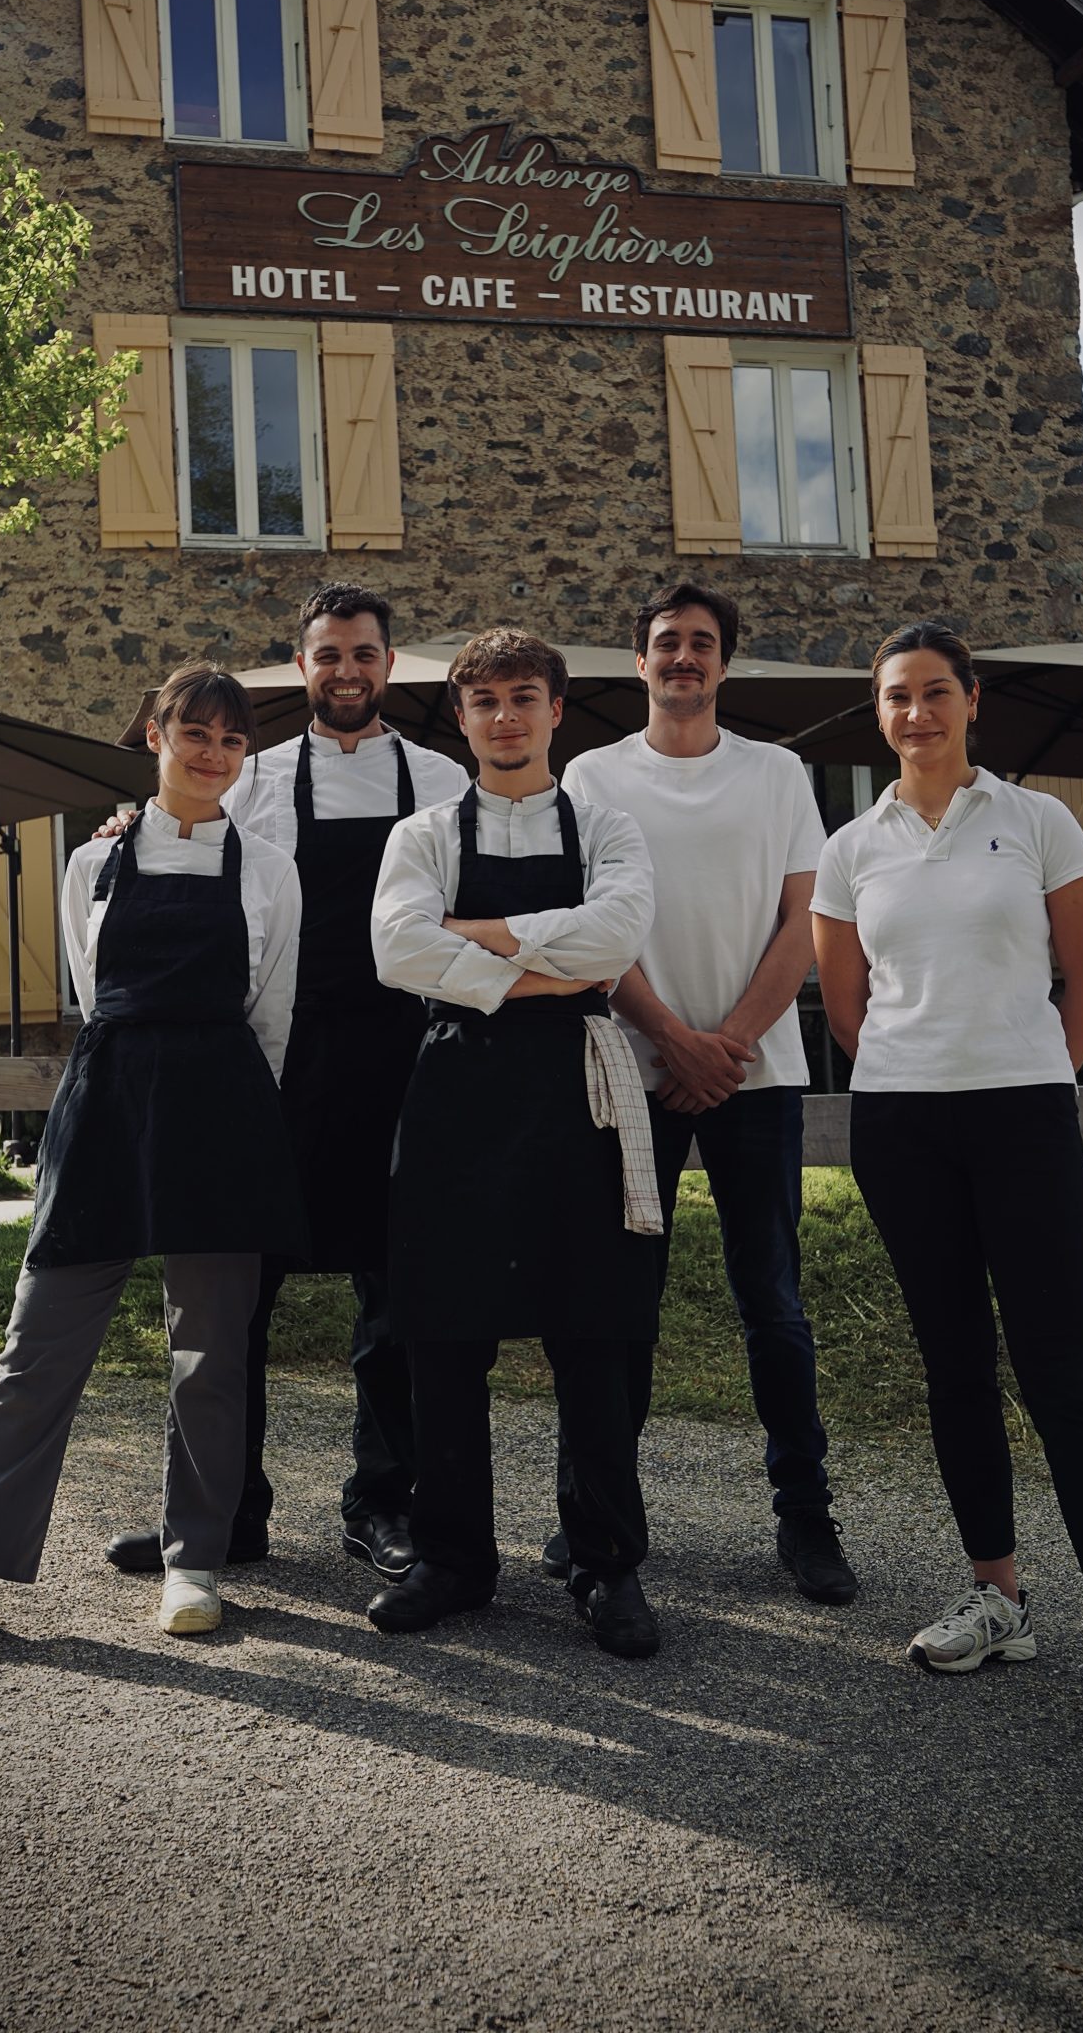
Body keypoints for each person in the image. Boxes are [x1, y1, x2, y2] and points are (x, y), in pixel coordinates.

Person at [0, 664, 304, 1648]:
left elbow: (271, 1017)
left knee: (210, 1357)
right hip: (107, 1112)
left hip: (222, 1118)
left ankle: (193, 1561)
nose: (213, 753)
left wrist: (225, 1111)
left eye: (231, 739)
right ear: (153, 733)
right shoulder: (91, 865)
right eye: (195, 731)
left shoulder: (270, 869)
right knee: (35, 1345)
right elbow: (99, 1000)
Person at [810, 620, 1083, 1751]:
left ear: (971, 700)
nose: (914, 712)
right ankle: (998, 1597)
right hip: (899, 1127)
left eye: (934, 692)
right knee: (953, 1366)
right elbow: (843, 1004)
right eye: (894, 697)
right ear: (876, 714)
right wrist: (919, 1074)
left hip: (1022, 1117)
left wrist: (1022, 1075)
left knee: (1060, 1372)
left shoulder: (1036, 820)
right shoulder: (849, 845)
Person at [101, 585, 466, 1586]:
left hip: (400, 1056)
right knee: (234, 1295)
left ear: (387, 665)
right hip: (277, 1058)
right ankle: (221, 1514)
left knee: (391, 1292)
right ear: (301, 667)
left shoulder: (439, 778)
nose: (345, 670)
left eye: (362, 653)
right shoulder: (250, 779)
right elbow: (180, 845)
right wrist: (129, 821)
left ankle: (380, 1503)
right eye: (326, 655)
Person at [367, 628, 667, 1657]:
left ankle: (605, 1562)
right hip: (455, 1093)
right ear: (459, 717)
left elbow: (615, 939)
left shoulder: (607, 824)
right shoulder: (421, 834)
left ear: (555, 711)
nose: (503, 716)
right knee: (443, 1335)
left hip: (574, 1092)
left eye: (522, 697)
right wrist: (546, 957)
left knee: (593, 1334)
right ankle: (453, 1559)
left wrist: (480, 937)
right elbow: (395, 947)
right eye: (483, 699)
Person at [560, 579, 856, 1604]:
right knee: (615, 1306)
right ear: (636, 661)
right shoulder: (589, 775)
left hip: (755, 1074)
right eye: (664, 643)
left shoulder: (776, 774)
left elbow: (800, 925)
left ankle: (803, 1517)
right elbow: (592, 928)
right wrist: (671, 1041)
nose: (681, 657)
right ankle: (597, 1516)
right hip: (628, 1072)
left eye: (700, 643)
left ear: (724, 662)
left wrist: (722, 1043)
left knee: (771, 1305)